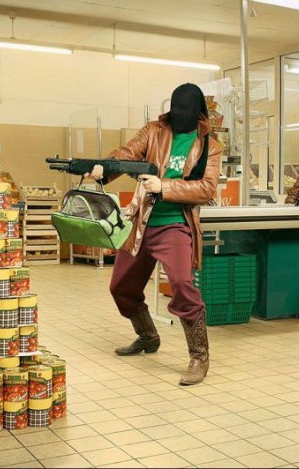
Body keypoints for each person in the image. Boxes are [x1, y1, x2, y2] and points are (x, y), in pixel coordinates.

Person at [85, 83, 222, 386]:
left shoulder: (209, 146)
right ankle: (148, 336)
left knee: (182, 285)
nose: (179, 114)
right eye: (175, 107)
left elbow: (207, 188)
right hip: (141, 221)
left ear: (198, 111)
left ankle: (199, 356)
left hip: (175, 224)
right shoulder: (154, 131)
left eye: (185, 109)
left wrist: (164, 186)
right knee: (121, 287)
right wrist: (103, 168)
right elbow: (127, 154)